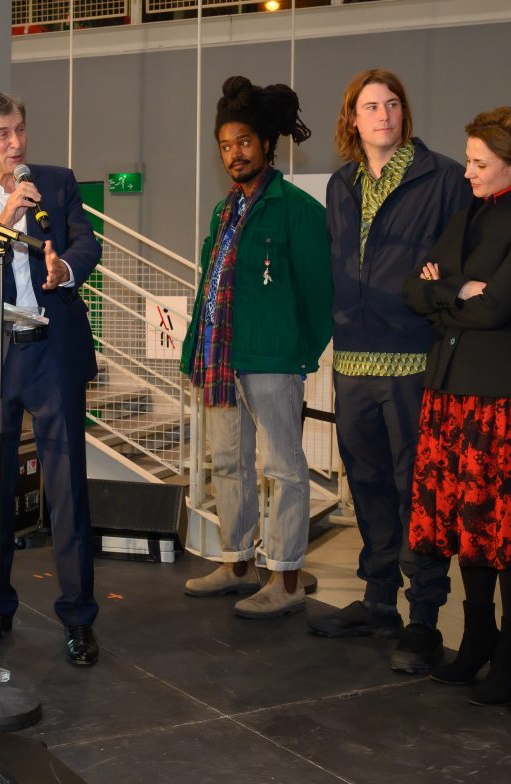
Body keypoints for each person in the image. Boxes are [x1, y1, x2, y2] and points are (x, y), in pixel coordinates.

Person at [306, 69, 472, 674]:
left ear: (404, 114)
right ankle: (378, 603)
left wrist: (440, 288)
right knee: (368, 487)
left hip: (413, 361)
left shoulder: (444, 178)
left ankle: (424, 619)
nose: (383, 115)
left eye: (393, 104)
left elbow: (463, 264)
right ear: (353, 119)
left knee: (418, 495)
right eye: (371, 106)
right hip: (351, 360)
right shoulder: (340, 183)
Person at [0, 92, 102, 666]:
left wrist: (66, 268)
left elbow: (86, 243)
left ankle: (79, 618)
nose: (16, 144)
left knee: (67, 491)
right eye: (2, 134)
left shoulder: (57, 182)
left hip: (53, 350)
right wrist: (1, 227)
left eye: (20, 131)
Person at [401, 107, 511, 705]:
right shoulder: (466, 214)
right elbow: (413, 291)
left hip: (504, 399)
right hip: (450, 391)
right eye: (468, 159)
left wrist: (452, 295)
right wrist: (456, 291)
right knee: (466, 529)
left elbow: (495, 310)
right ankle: (476, 641)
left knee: (508, 531)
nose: (466, 172)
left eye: (479, 163)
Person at [181, 76, 332, 618]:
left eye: (243, 142)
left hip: (271, 363)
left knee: (285, 469)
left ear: (267, 143)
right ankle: (237, 562)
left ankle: (286, 578)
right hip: (220, 362)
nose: (233, 154)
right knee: (227, 465)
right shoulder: (225, 212)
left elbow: (320, 294)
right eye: (225, 145)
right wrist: (193, 351)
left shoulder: (297, 210)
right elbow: (209, 288)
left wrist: (298, 352)